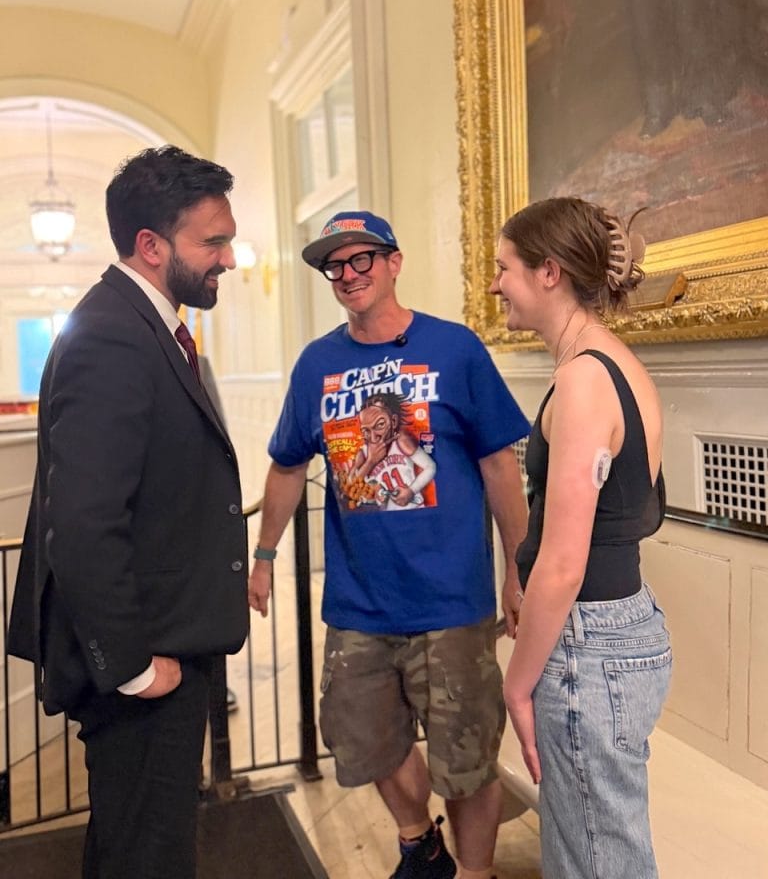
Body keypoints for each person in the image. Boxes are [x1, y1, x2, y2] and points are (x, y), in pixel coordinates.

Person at [249, 210, 530, 879]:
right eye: (334, 266)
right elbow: (287, 465)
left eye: (361, 260)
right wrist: (262, 556)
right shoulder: (317, 363)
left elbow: (499, 465)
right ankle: (418, 841)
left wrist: (520, 571)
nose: (346, 275)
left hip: (450, 601)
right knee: (361, 741)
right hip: (359, 603)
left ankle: (476, 871)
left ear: (394, 262)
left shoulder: (455, 349)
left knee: (465, 759)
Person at [7, 145, 249, 879]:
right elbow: (81, 527)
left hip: (171, 641)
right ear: (151, 246)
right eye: (213, 241)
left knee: (130, 845)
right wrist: (136, 669)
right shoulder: (112, 336)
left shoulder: (147, 327)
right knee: (149, 857)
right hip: (147, 661)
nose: (229, 259)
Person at [490, 196, 672, 879]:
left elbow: (564, 563)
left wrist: (517, 683)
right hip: (613, 633)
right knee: (589, 851)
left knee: (598, 861)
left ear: (549, 272)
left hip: (588, 648)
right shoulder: (611, 362)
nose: (494, 283)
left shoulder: (585, 380)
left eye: (504, 266)